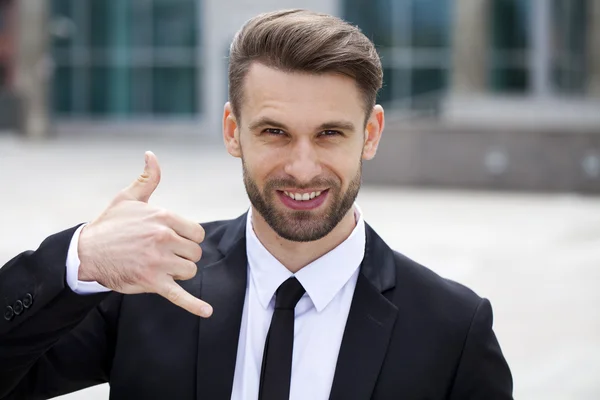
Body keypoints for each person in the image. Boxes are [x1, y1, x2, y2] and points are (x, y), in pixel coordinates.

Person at [0, 9, 513, 400]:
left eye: (330, 133)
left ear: (371, 133)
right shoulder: (150, 282)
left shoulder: (452, 328)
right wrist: (77, 260)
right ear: (232, 131)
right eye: (275, 132)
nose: (303, 167)